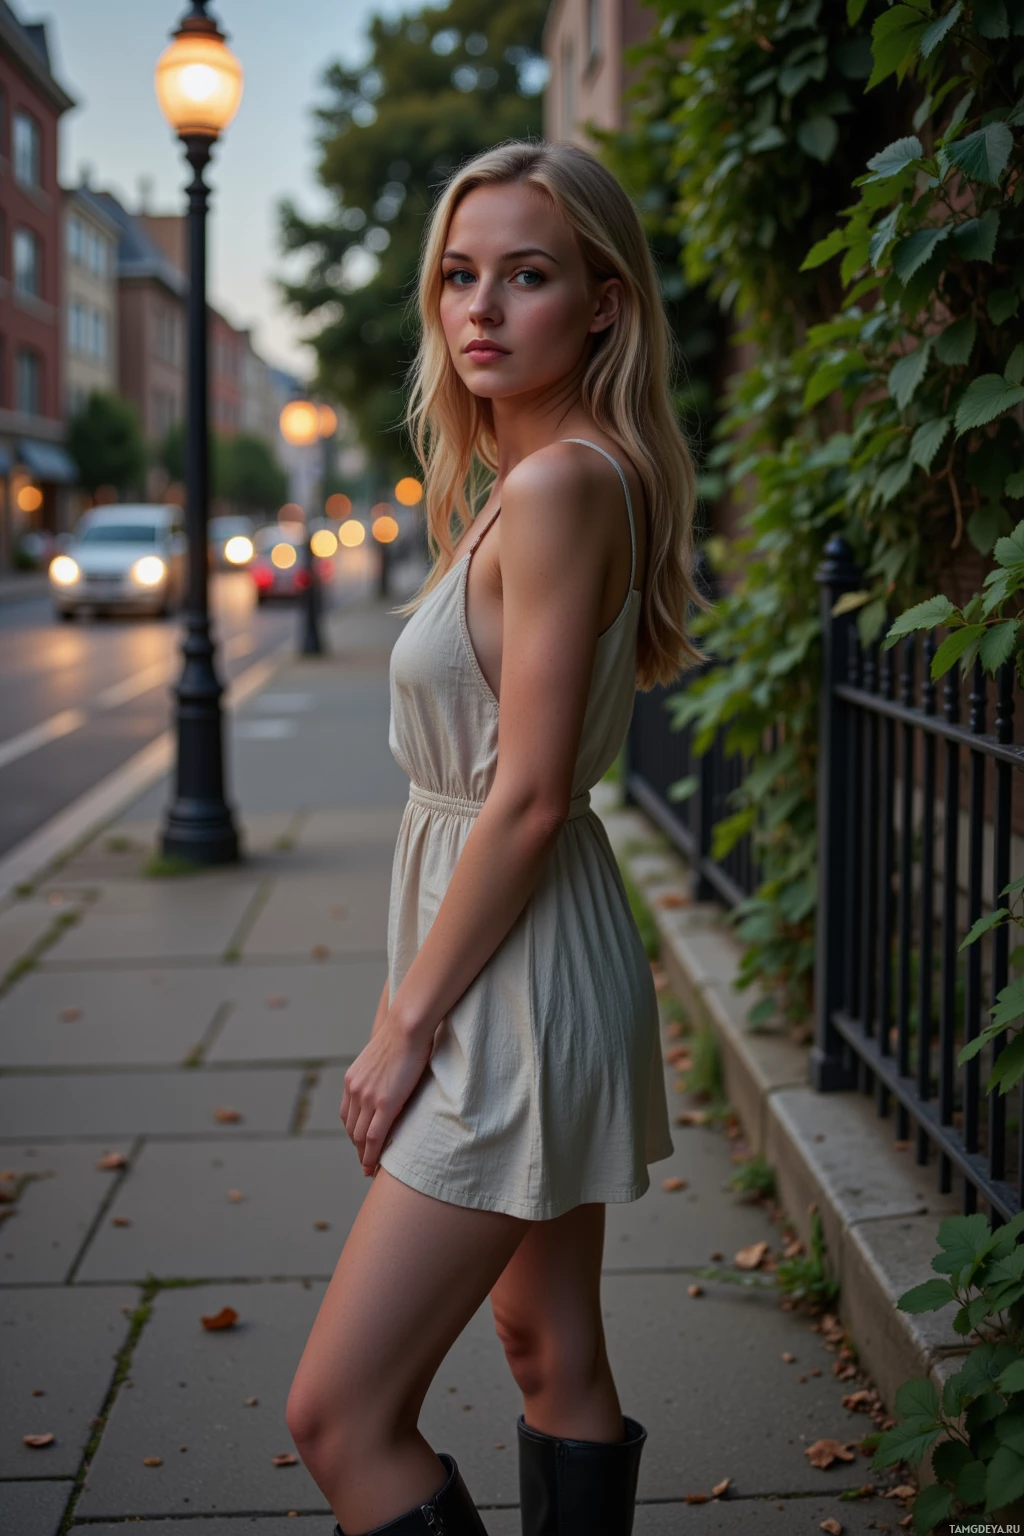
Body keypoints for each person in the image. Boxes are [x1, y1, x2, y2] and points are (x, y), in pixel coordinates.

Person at [286, 139, 705, 1536]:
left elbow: (524, 794)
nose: (482, 306)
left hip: (509, 976)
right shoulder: (528, 482)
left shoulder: (557, 486)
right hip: (508, 946)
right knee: (552, 1351)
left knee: (340, 1419)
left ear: (600, 301)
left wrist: (405, 1022)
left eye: (526, 275)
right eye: (461, 276)